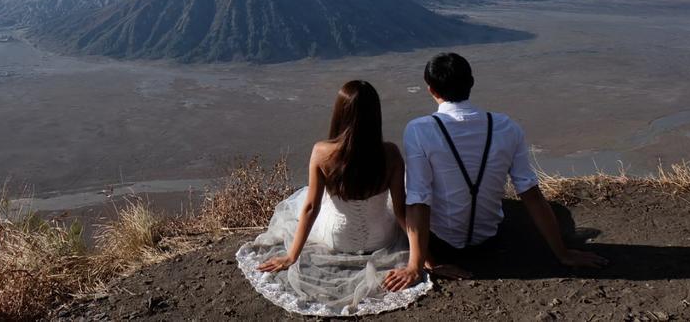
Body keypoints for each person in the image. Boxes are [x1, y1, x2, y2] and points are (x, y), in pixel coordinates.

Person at [383, 53, 607, 291]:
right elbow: (531, 194)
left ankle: (421, 258)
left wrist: (416, 267)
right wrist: (562, 253)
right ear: (471, 83)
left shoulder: (419, 130)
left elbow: (419, 199)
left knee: (399, 196)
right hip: (489, 240)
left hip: (441, 245)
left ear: (431, 90)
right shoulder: (506, 127)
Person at [236, 80, 432, 316]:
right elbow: (401, 212)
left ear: (340, 113)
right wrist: (420, 260)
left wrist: (292, 255)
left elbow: (310, 207)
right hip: (382, 238)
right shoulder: (390, 153)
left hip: (337, 239)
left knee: (307, 200)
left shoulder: (322, 152)